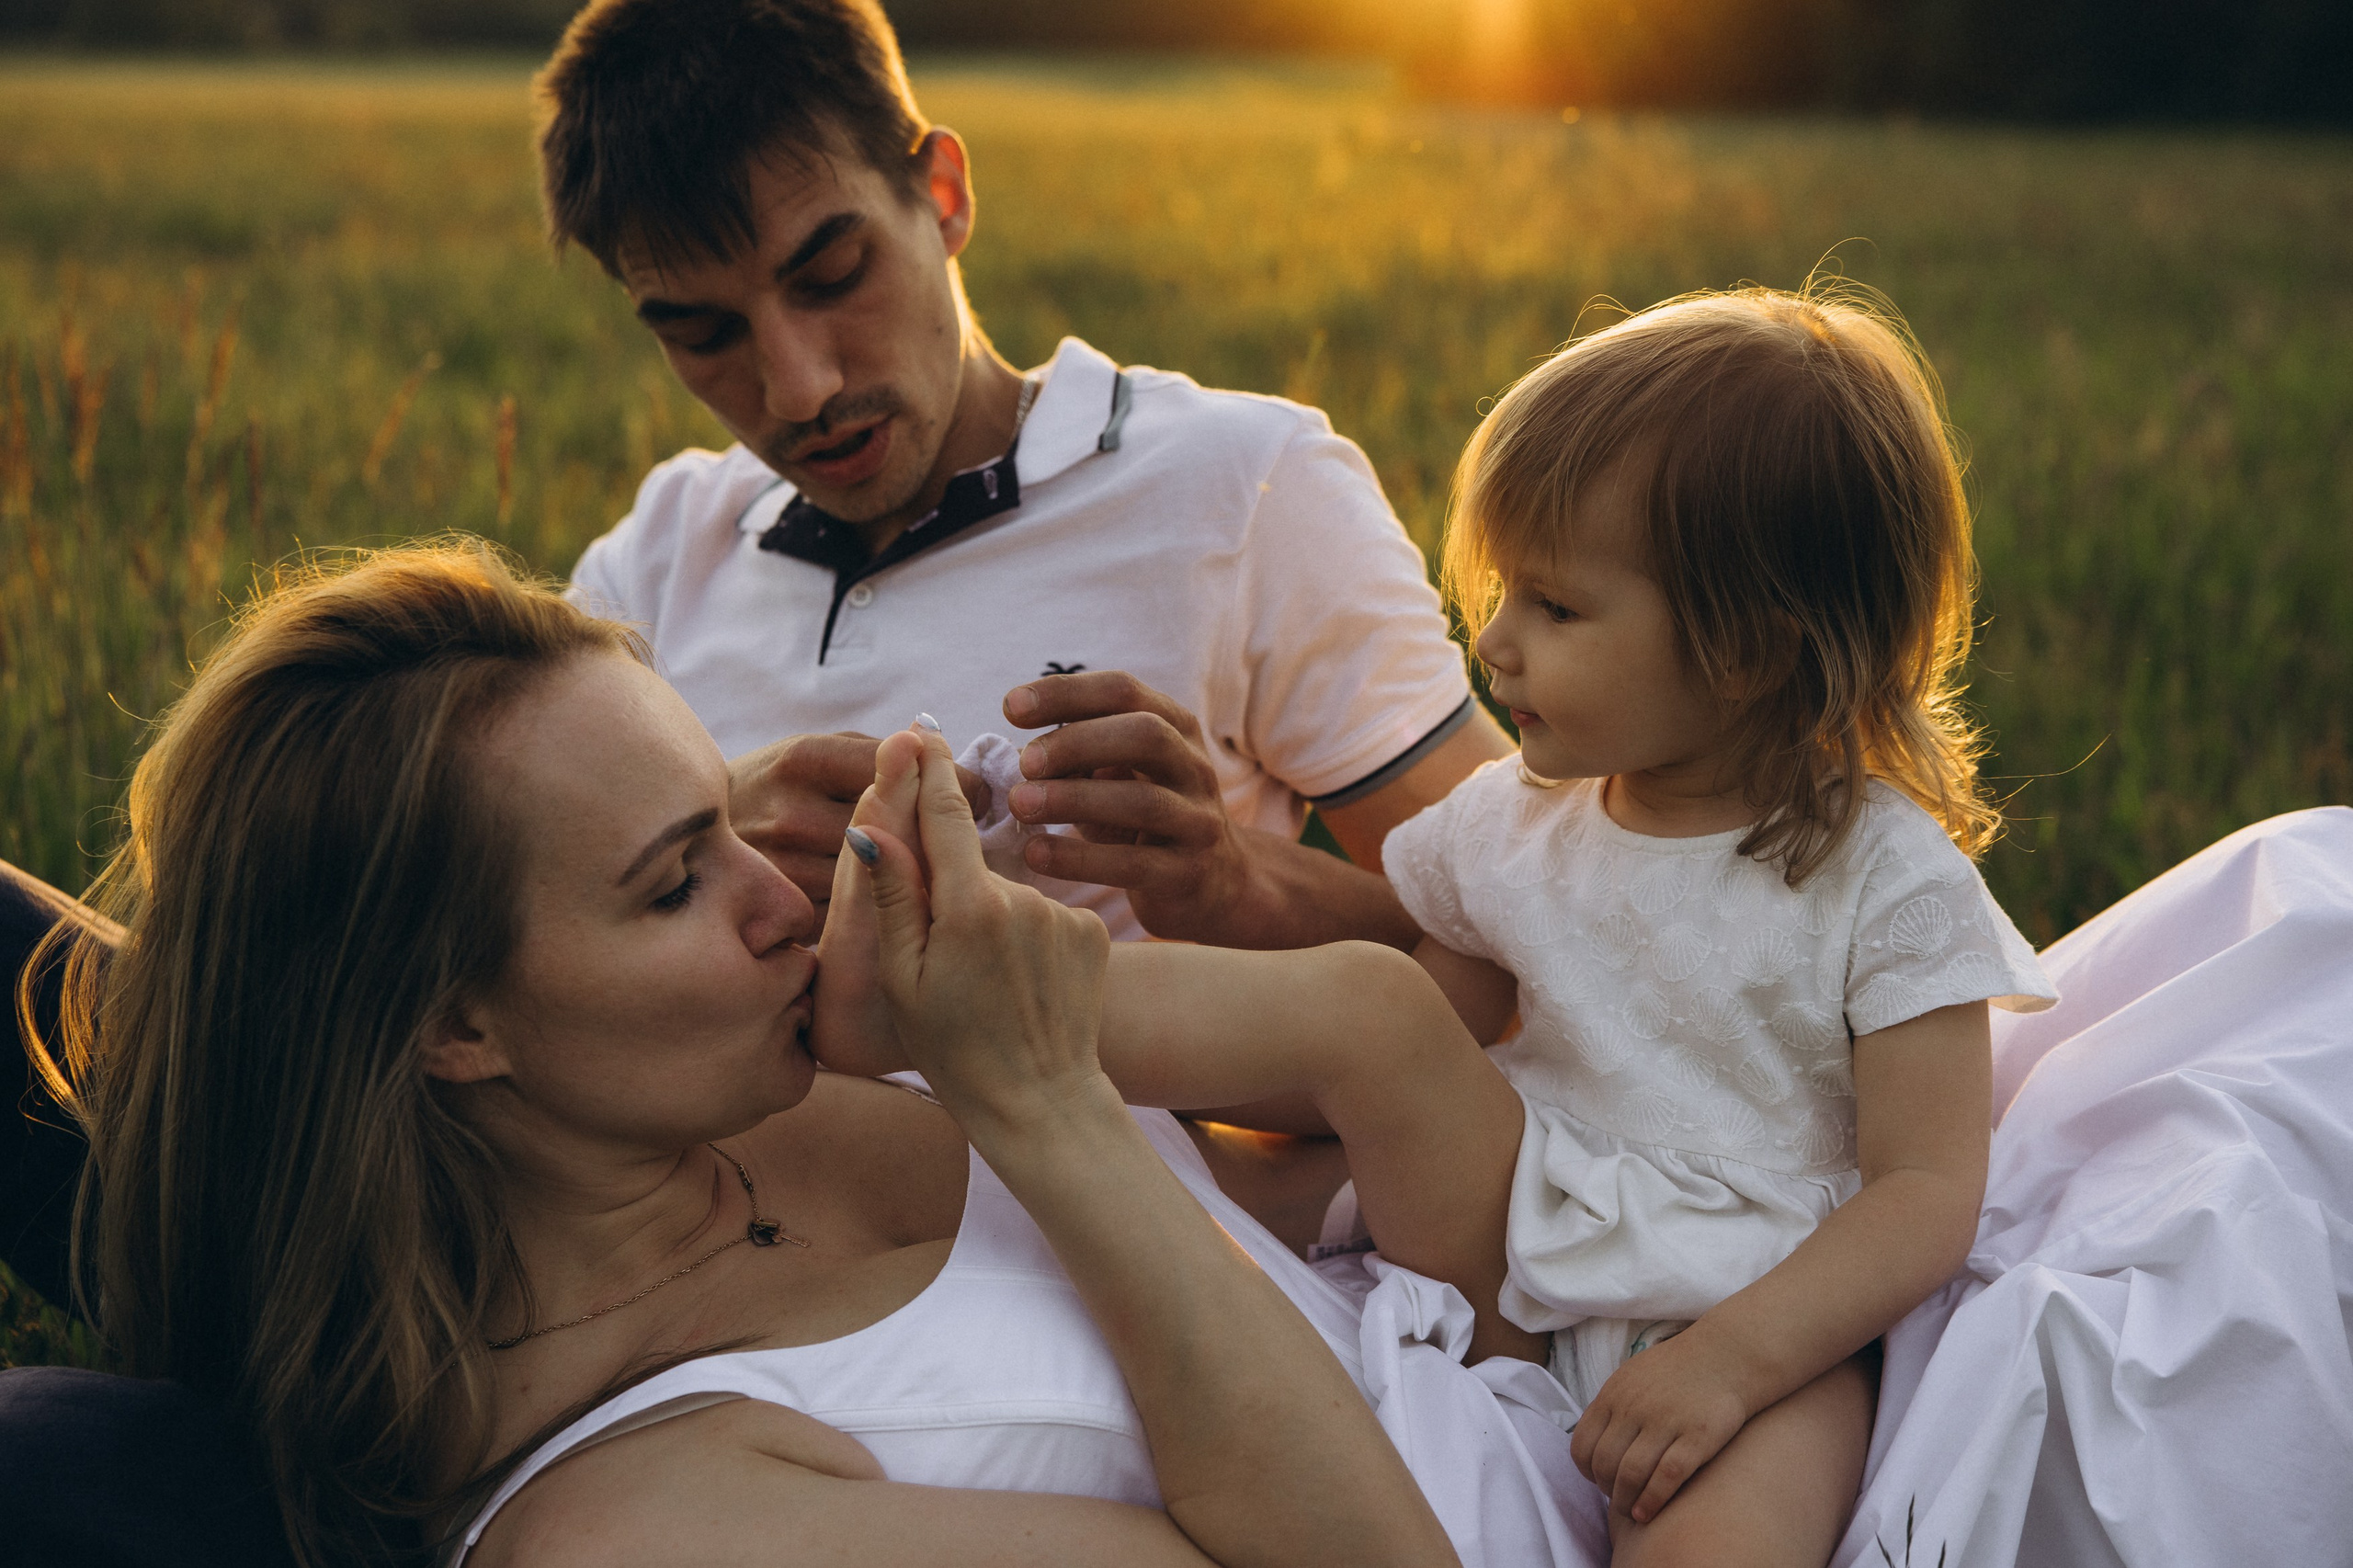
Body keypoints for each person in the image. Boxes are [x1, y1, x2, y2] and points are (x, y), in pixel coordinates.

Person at [25, 543, 1591, 1568]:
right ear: (454, 1025)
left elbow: (1349, 1199)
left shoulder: (760, 1074)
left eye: (728, 817)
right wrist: (1044, 1098)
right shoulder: (636, 1522)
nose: (784, 896)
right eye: (673, 880)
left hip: (1619, 1381)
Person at [533, 0, 1513, 950]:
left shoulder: (1246, 486)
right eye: (704, 334)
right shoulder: (652, 558)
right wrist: (708, 824)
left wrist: (1234, 884)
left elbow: (1534, 935)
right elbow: (502, 928)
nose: (798, 389)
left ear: (944, 194)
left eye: (833, 276)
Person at [1359, 284, 2055, 1561]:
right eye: (1504, 591)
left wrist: (1732, 1363)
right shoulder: (1521, 816)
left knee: (1732, 1532)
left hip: (1751, 1316)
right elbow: (1418, 1042)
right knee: (1322, 1052)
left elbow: (1924, 1187)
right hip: (1517, 1240)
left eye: (1556, 608)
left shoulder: (1882, 881)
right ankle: (1030, 1022)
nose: (1495, 643)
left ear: (1749, 650)